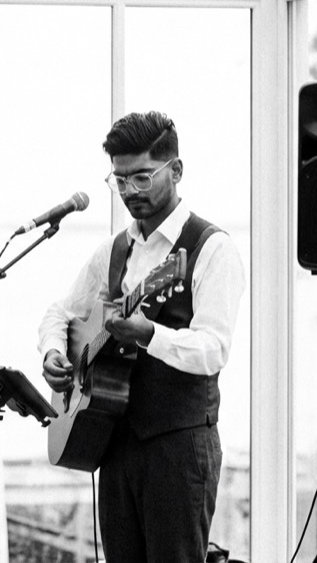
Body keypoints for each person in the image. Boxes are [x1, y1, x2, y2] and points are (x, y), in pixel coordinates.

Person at [39, 111, 245, 562]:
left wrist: (150, 333)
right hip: (112, 441)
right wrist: (55, 351)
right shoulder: (113, 250)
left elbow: (214, 349)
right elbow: (61, 311)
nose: (131, 192)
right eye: (120, 180)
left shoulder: (211, 249)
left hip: (179, 445)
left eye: (142, 178)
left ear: (176, 171)